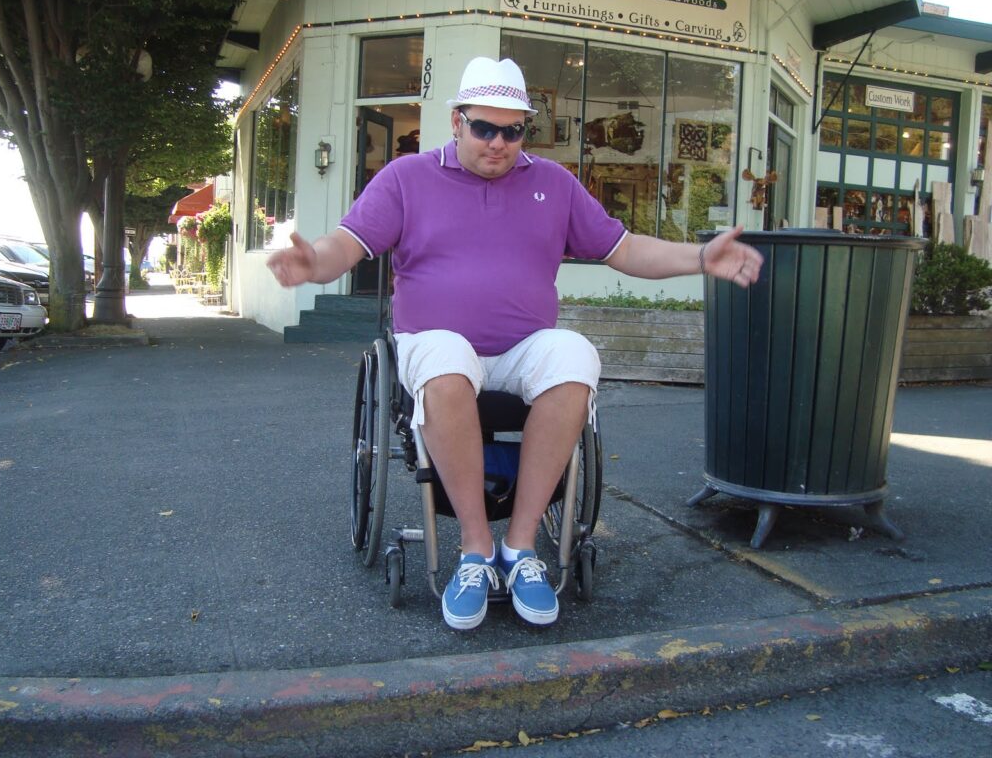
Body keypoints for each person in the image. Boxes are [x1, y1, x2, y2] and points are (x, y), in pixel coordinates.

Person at [268, 57, 763, 631]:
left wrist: (700, 258)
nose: (499, 143)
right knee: (446, 357)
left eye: (513, 130)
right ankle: (475, 549)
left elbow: (625, 250)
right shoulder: (406, 178)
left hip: (521, 348)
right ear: (457, 121)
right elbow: (346, 245)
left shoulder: (554, 184)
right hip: (435, 344)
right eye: (484, 128)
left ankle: (520, 547)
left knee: (574, 355)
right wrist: (313, 264)